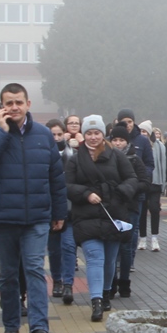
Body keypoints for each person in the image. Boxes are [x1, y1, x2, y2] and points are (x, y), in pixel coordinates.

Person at [0, 83, 67, 333]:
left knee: (35, 269)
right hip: (2, 217)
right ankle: (11, 326)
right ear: (1, 106)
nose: (14, 107)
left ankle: (39, 329)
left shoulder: (43, 135)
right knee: (9, 274)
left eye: (18, 102)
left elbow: (56, 177)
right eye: (8, 103)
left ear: (28, 104)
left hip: (36, 217)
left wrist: (60, 212)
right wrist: (2, 134)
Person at [65, 115, 137, 322]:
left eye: (97, 133)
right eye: (89, 133)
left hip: (113, 214)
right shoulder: (75, 159)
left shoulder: (116, 156)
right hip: (86, 217)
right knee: (95, 258)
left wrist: (121, 192)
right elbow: (66, 185)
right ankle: (96, 300)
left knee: (109, 260)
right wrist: (86, 194)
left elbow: (132, 178)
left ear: (103, 134)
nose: (93, 137)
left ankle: (106, 292)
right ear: (84, 134)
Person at [109, 123, 150, 298]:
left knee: (125, 246)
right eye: (115, 140)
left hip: (130, 206)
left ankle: (124, 282)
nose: (118, 143)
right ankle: (110, 283)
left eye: (121, 140)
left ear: (127, 141)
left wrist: (128, 189)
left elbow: (144, 182)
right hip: (110, 208)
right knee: (111, 246)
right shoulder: (106, 157)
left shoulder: (134, 158)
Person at [45, 118, 78, 304]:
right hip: (49, 208)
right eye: (53, 135)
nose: (57, 138)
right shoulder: (42, 154)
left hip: (70, 208)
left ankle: (68, 284)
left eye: (59, 134)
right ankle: (56, 279)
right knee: (54, 249)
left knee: (68, 246)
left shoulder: (73, 154)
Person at [137, 120, 164, 252]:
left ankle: (155, 237)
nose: (143, 134)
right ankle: (142, 238)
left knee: (154, 209)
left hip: (155, 183)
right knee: (141, 211)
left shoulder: (159, 146)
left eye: (145, 131)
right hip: (142, 182)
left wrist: (164, 184)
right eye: (141, 131)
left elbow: (163, 165)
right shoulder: (137, 145)